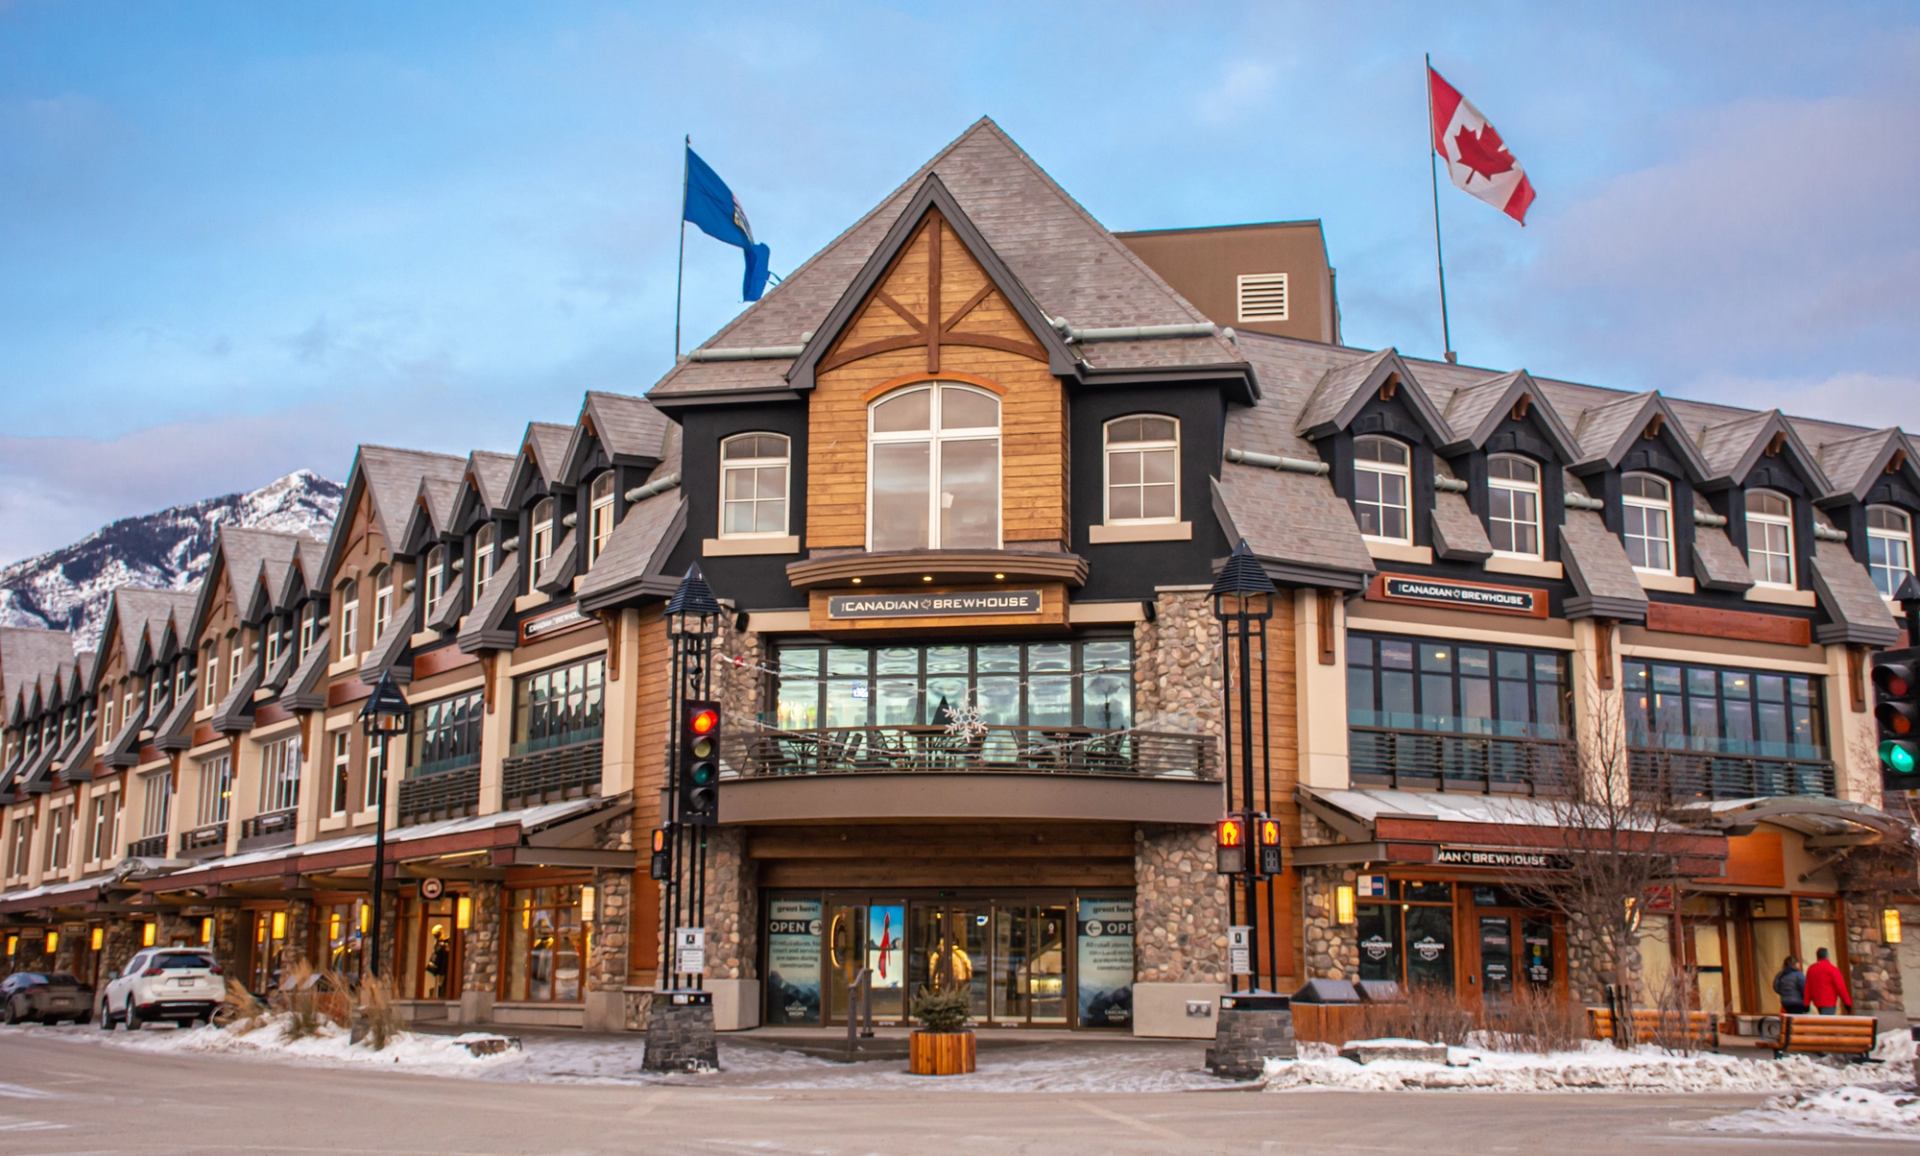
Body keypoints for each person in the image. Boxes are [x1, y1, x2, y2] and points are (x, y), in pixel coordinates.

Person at [1803, 946, 1851, 1015]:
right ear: (1827, 956)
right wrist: (1847, 1003)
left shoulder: (1811, 969)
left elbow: (1807, 988)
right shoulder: (1832, 969)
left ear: (1817, 957)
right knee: (1828, 1023)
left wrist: (1806, 1003)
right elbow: (1841, 987)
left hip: (1817, 1002)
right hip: (1829, 1002)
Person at [426, 931, 450, 999]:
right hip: (441, 969)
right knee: (440, 983)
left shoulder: (442, 944)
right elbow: (435, 957)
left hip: (443, 969)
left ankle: (440, 995)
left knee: (441, 983)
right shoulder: (440, 944)